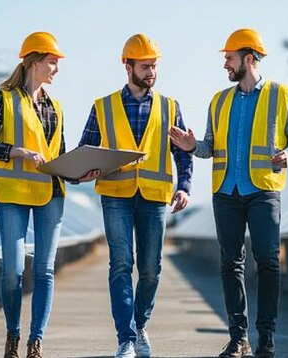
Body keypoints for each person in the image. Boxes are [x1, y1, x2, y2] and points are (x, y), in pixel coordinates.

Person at [169, 28, 288, 358]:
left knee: (268, 262)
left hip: (263, 191)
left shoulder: (280, 94)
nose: (225, 65)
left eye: (229, 59)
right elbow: (209, 147)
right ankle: (238, 338)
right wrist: (192, 147)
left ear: (248, 59)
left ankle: (267, 337)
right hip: (226, 193)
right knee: (230, 263)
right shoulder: (219, 101)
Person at [0, 31, 98, 358]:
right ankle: (13, 334)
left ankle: (36, 342)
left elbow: (56, 156)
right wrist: (17, 151)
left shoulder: (55, 107)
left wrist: (78, 173)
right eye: (52, 62)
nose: (56, 69)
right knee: (13, 271)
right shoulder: (1, 99)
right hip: (14, 193)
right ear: (33, 61)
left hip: (50, 194)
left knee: (44, 270)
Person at [78, 33, 193, 358]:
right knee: (121, 264)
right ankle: (126, 338)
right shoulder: (103, 106)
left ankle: (140, 324)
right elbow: (86, 149)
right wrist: (81, 171)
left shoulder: (171, 107)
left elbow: (183, 152)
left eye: (154, 66)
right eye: (145, 66)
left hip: (155, 196)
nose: (151, 72)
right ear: (127, 66)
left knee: (151, 269)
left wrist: (184, 186)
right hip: (115, 194)